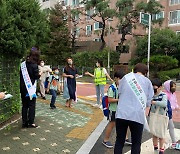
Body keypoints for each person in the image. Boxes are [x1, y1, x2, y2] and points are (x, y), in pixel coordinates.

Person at [114, 63, 154, 154]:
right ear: (145, 72)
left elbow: (119, 92)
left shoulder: (126, 78)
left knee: (119, 141)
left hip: (122, 113)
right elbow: (148, 101)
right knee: (136, 143)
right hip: (137, 116)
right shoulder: (147, 82)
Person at [102, 70, 126, 148]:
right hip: (113, 110)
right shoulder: (112, 88)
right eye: (120, 79)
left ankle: (126, 138)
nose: (122, 81)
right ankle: (105, 140)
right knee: (112, 124)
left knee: (124, 124)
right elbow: (109, 100)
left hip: (120, 109)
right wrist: (119, 100)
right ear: (116, 78)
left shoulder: (122, 87)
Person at [20, 47, 41, 128]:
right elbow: (36, 76)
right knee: (31, 105)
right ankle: (30, 122)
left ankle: (24, 122)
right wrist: (40, 73)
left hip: (23, 88)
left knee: (24, 105)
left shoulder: (23, 64)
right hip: (30, 88)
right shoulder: (34, 65)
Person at [149, 78, 168, 154]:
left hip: (162, 116)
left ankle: (161, 149)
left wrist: (154, 102)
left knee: (161, 134)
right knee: (154, 133)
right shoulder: (151, 95)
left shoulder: (163, 95)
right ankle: (155, 147)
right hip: (153, 116)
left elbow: (164, 104)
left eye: (155, 87)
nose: (153, 88)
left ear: (160, 87)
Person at [164, 80, 180, 149]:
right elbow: (166, 105)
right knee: (170, 126)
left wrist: (177, 107)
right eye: (173, 86)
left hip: (169, 113)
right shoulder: (166, 95)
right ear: (168, 87)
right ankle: (174, 142)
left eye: (175, 85)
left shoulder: (173, 93)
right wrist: (173, 107)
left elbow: (175, 102)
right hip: (165, 114)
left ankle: (173, 142)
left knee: (169, 127)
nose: (174, 87)